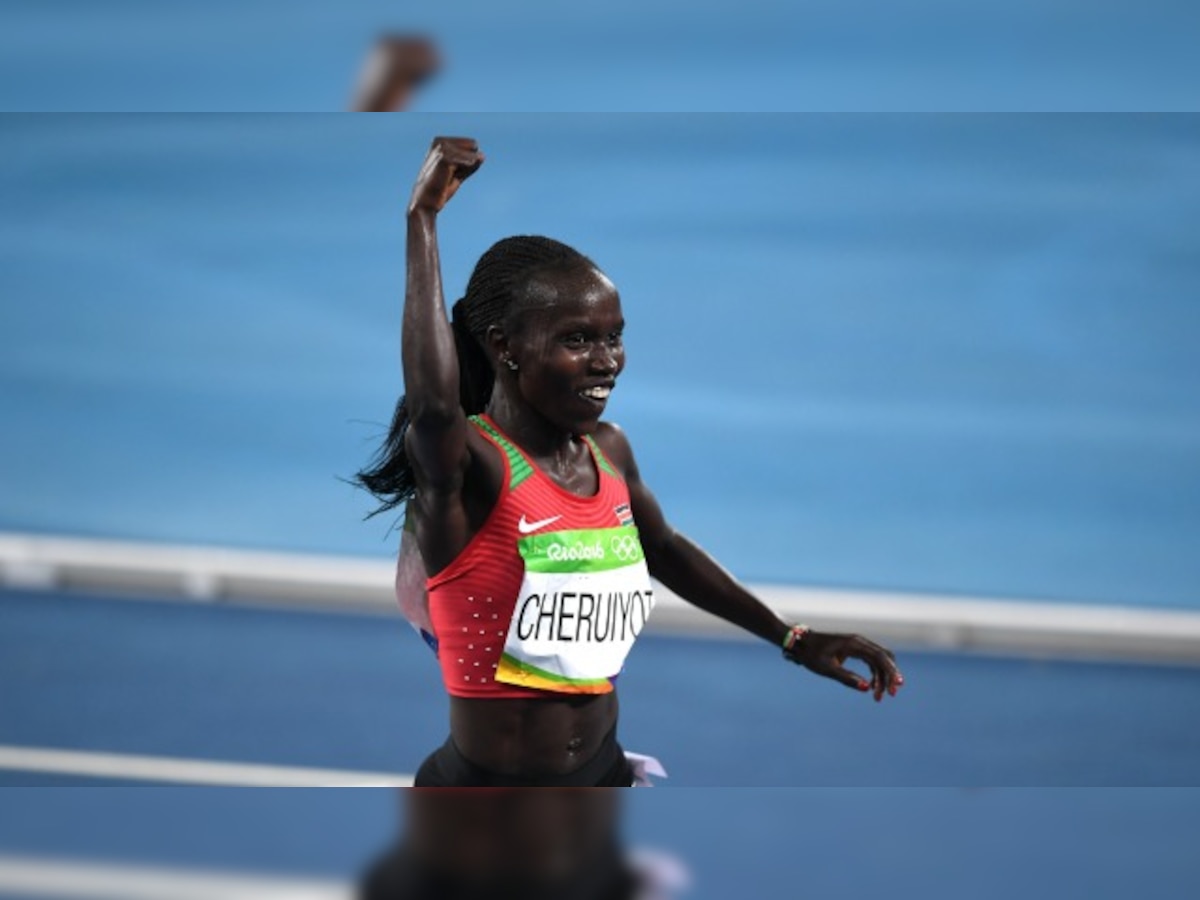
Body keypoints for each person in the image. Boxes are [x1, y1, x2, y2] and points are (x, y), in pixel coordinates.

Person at [356, 136, 904, 787]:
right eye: (577, 340)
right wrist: (422, 220)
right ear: (504, 347)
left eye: (614, 337)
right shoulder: (472, 466)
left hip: (600, 776)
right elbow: (433, 407)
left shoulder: (609, 452)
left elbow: (665, 548)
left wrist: (791, 638)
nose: (606, 360)